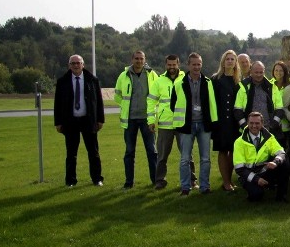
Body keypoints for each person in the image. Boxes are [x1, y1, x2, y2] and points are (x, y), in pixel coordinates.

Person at [170, 52, 218, 196]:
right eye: (194, 64)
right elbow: (174, 104)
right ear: (188, 65)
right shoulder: (179, 83)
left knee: (205, 158)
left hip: (204, 125)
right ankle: (185, 187)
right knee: (185, 159)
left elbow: (212, 104)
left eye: (199, 64)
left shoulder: (208, 82)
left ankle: (205, 187)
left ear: (201, 64)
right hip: (187, 125)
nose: (196, 67)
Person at [54, 54, 104, 187]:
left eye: (78, 63)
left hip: (88, 121)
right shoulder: (62, 81)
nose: (76, 65)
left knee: (93, 152)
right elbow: (57, 103)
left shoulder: (92, 80)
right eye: (73, 63)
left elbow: (98, 101)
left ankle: (97, 179)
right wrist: (58, 122)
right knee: (71, 154)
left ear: (83, 64)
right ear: (69, 65)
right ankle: (70, 181)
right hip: (70, 122)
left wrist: (100, 119)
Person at [113, 50, 158, 189]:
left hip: (147, 119)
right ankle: (128, 182)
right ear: (132, 59)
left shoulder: (152, 74)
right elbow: (117, 95)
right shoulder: (124, 75)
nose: (139, 61)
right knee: (129, 152)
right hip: (130, 119)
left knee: (152, 151)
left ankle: (156, 180)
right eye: (136, 58)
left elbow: (158, 94)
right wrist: (126, 107)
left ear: (145, 60)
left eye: (141, 59)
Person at [152, 54, 195, 190]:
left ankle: (192, 180)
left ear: (178, 64)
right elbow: (151, 101)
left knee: (187, 154)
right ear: (166, 65)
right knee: (162, 156)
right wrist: (151, 120)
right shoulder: (159, 81)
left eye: (174, 65)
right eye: (169, 65)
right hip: (165, 124)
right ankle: (160, 180)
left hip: (182, 123)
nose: (172, 67)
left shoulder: (185, 78)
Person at [233, 112, 288, 202]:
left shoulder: (269, 137)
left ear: (262, 124)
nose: (254, 126)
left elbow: (281, 153)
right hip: (247, 175)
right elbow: (240, 169)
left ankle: (281, 197)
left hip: (264, 171)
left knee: (284, 163)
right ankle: (257, 189)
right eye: (251, 123)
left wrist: (275, 162)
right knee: (256, 195)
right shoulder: (239, 142)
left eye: (257, 123)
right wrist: (256, 179)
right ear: (247, 123)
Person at [211, 50, 241, 192]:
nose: (230, 61)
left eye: (232, 59)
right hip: (221, 121)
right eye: (227, 59)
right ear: (223, 62)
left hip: (235, 122)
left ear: (236, 63)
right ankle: (226, 182)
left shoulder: (238, 81)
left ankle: (229, 180)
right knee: (223, 150)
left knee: (234, 151)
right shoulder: (215, 79)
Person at [234, 61, 285, 143]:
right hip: (249, 131)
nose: (259, 75)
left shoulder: (272, 87)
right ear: (251, 71)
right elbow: (237, 110)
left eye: (261, 72)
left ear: (264, 72)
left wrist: (273, 125)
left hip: (269, 130)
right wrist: (245, 127)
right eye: (256, 72)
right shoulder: (243, 87)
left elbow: (280, 110)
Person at [270, 60, 290, 146]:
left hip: (287, 124)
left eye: (281, 70)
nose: (278, 72)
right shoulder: (269, 84)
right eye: (276, 70)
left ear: (285, 72)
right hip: (273, 123)